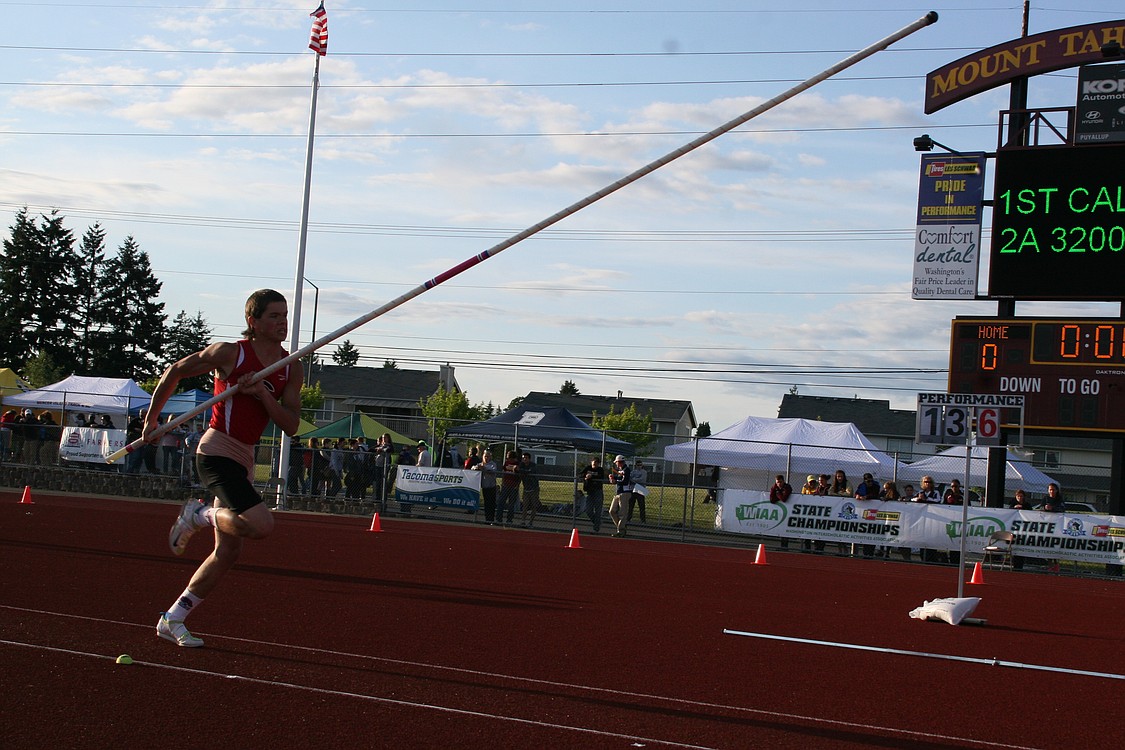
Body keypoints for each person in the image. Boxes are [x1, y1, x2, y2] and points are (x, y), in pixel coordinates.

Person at [142, 289, 303, 648]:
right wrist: (152, 420)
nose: (282, 323)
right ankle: (198, 515)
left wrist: (262, 393)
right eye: (274, 316)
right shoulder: (230, 353)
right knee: (261, 525)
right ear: (253, 322)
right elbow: (175, 372)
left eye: (285, 315)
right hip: (216, 450)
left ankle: (173, 618)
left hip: (245, 456)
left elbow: (291, 425)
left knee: (228, 552)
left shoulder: (291, 365)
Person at [913, 476, 942, 563]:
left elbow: (938, 501)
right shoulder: (921, 492)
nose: (927, 483)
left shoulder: (935, 492)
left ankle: (932, 558)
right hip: (923, 518)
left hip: (934, 518)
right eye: (925, 482)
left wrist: (926, 499)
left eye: (929, 482)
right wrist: (918, 499)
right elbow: (913, 499)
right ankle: (923, 557)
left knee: (932, 537)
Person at [1041, 482, 1064, 573]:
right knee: (1048, 545)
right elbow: (1041, 508)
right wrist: (1045, 508)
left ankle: (1056, 565)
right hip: (1047, 525)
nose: (1051, 491)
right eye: (1050, 490)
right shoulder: (1045, 498)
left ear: (1057, 490)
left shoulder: (1059, 499)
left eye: (1053, 490)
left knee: (1056, 544)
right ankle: (1050, 565)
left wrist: (1053, 509)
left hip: (1057, 525)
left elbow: (1062, 508)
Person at [607, 455, 632, 537]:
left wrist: (615, 480)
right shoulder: (621, 470)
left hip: (624, 493)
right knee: (612, 511)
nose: (616, 464)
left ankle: (620, 531)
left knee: (622, 513)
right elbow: (619, 478)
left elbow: (624, 481)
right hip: (618, 493)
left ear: (619, 462)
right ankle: (622, 527)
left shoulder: (626, 470)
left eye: (617, 463)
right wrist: (613, 478)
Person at [473, 449, 498, 523]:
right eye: (485, 456)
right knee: (486, 504)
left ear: (491, 457)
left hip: (491, 487)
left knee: (491, 504)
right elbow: (473, 468)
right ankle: (487, 519)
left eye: (488, 456)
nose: (486, 458)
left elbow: (492, 471)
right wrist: (477, 468)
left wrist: (484, 468)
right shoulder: (480, 464)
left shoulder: (493, 464)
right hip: (484, 487)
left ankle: (491, 520)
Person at [582, 456, 606, 533]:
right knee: (588, 510)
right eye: (593, 462)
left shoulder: (600, 470)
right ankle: (597, 523)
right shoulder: (588, 468)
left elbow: (601, 476)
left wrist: (592, 476)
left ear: (598, 464)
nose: (594, 464)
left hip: (598, 491)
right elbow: (580, 474)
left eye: (596, 463)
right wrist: (585, 476)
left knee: (598, 510)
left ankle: (596, 528)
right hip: (590, 492)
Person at [769, 474, 792, 549]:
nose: (779, 484)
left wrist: (778, 494)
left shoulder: (787, 487)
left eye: (780, 482)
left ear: (783, 481)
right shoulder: (774, 487)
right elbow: (772, 500)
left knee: (786, 527)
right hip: (779, 511)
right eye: (777, 482)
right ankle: (782, 546)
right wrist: (779, 495)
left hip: (789, 510)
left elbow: (784, 499)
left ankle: (785, 546)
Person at [517, 452, 541, 528]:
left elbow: (530, 471)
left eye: (526, 458)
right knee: (525, 505)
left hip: (534, 489)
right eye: (523, 458)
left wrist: (522, 471)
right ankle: (523, 521)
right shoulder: (522, 465)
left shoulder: (533, 465)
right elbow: (518, 470)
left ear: (529, 459)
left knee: (534, 505)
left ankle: (531, 522)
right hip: (526, 489)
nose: (524, 459)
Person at [498, 450, 520, 525]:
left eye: (509, 458)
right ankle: (498, 519)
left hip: (513, 486)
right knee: (501, 502)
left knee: (511, 504)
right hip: (505, 485)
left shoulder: (517, 464)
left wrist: (517, 485)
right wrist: (503, 482)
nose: (508, 459)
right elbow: (504, 471)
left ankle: (509, 520)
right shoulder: (506, 463)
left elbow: (519, 476)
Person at [627, 458, 648, 524]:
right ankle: (628, 518)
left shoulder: (644, 472)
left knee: (641, 505)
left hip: (641, 489)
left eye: (640, 465)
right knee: (631, 505)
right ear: (635, 465)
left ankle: (643, 520)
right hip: (633, 489)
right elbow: (630, 478)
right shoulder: (633, 471)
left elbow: (642, 479)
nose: (639, 466)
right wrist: (635, 480)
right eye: (638, 465)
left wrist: (634, 480)